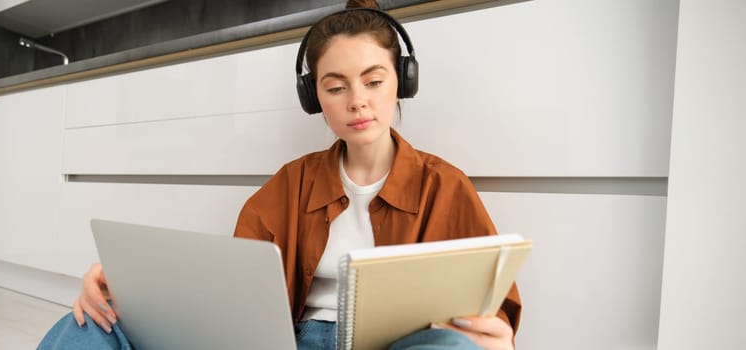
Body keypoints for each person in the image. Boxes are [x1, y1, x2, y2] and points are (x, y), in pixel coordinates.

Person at [39, 0, 521, 349]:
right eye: (336, 87)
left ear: (402, 81)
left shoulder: (444, 186)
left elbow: (488, 303)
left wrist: (493, 338)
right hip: (288, 342)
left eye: (374, 81)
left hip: (396, 347)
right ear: (315, 100)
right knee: (89, 325)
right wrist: (124, 287)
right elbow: (229, 294)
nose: (357, 100)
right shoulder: (288, 185)